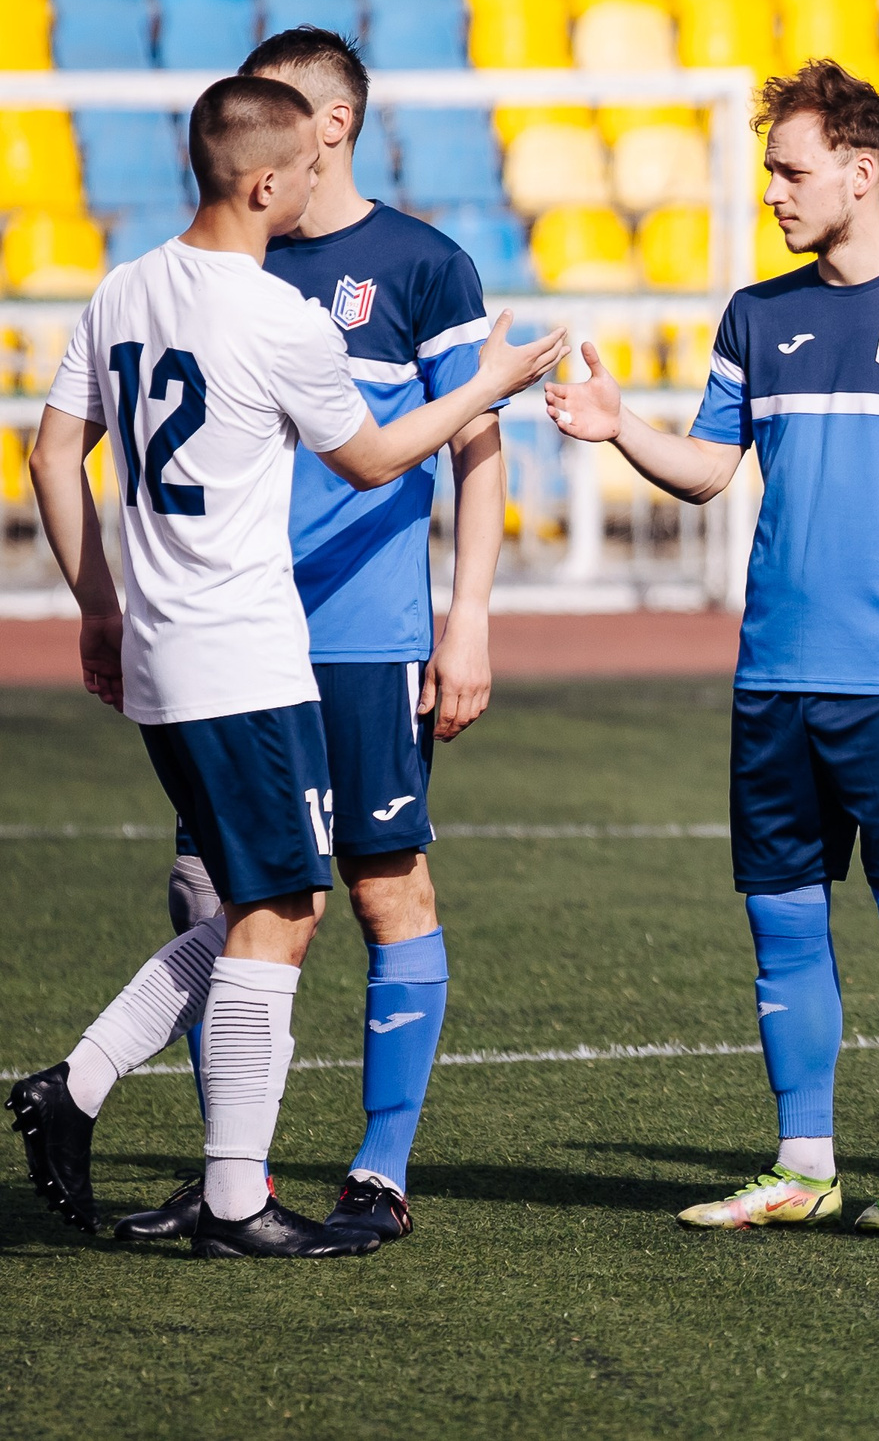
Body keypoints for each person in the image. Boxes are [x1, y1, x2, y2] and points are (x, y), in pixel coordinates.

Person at [6, 75, 562, 1257]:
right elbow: (370, 460)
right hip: (247, 657)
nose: (314, 173)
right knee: (278, 905)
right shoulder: (271, 314)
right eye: (296, 161)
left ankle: (217, 1147)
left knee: (274, 893)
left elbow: (55, 454)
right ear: (265, 178)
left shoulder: (123, 287)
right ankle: (204, 1173)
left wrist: (98, 606)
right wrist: (484, 388)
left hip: (180, 648)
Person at [544, 61, 879, 1236]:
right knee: (781, 921)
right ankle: (802, 1162)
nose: (772, 190)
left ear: (861, 175)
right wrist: (621, 431)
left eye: (790, 168)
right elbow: (712, 470)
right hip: (774, 678)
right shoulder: (756, 316)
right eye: (769, 169)